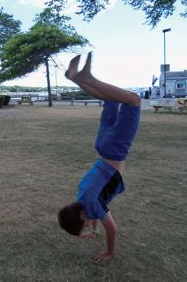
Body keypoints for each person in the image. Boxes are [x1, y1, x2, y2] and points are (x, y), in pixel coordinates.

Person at [58, 52, 140, 264]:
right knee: (110, 100)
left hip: (115, 151)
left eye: (85, 225)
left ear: (82, 217)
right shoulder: (81, 198)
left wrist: (109, 252)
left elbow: (112, 229)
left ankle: (87, 79)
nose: (89, 225)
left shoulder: (92, 207)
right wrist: (88, 228)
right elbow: (93, 209)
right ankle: (74, 76)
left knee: (133, 101)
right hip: (102, 148)